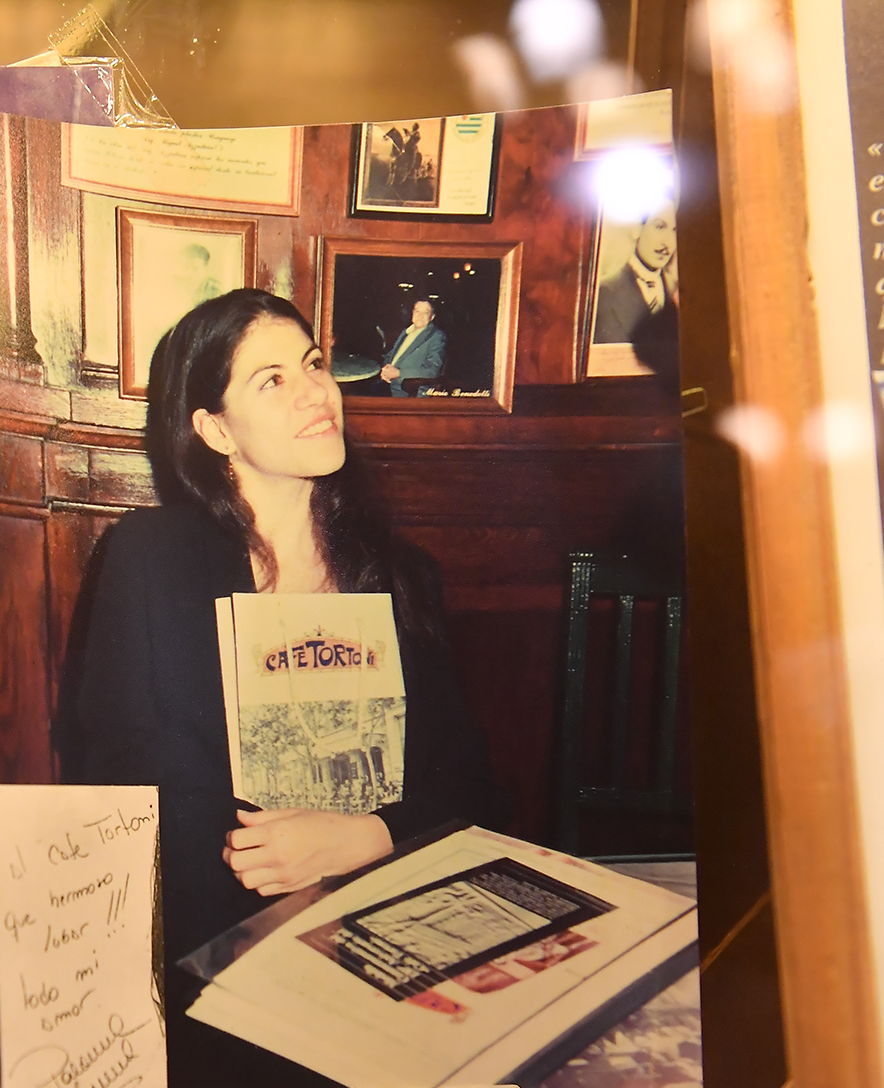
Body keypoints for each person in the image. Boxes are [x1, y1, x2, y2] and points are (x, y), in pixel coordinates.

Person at [58, 288, 507, 970]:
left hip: (393, 926)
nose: (316, 393)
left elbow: (472, 785)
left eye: (315, 364)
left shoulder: (402, 573)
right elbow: (123, 788)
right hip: (211, 945)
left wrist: (370, 835)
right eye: (272, 380)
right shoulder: (151, 558)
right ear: (216, 431)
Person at [593, 199, 677, 345]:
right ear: (636, 229)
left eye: (676, 230)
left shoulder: (676, 291)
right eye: (659, 227)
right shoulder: (604, 293)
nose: (667, 243)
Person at [380, 297, 446, 396]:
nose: (420, 316)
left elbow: (433, 370)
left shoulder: (436, 336)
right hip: (388, 384)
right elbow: (391, 355)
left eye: (425, 313)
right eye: (417, 311)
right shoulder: (407, 331)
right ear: (412, 313)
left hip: (408, 391)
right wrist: (384, 369)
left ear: (432, 317)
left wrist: (399, 373)